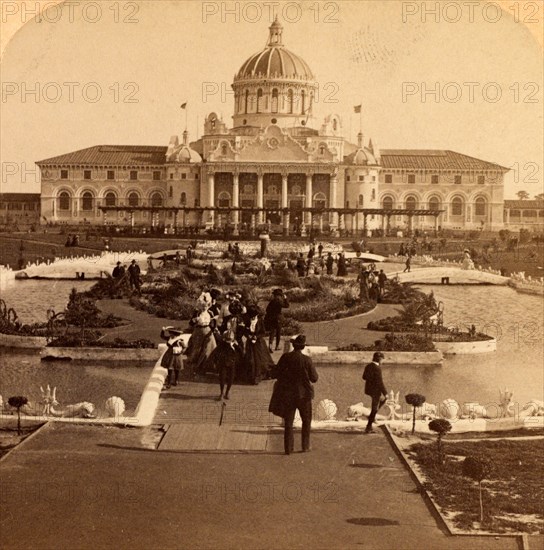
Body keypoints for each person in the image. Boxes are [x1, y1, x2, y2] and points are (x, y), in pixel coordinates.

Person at [271, 335, 318, 455]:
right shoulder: (307, 360)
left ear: (293, 345)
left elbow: (276, 373)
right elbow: (314, 378)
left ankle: (288, 449)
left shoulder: (285, 357)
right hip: (304, 396)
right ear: (302, 347)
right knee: (306, 421)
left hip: (288, 395)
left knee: (288, 423)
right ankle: (305, 446)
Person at [185, 292, 217, 377]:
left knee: (207, 350)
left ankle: (204, 368)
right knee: (197, 350)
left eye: (206, 305)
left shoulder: (210, 313)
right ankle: (195, 368)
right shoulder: (197, 313)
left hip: (207, 331)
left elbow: (213, 324)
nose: (204, 307)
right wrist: (195, 320)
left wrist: (213, 329)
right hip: (198, 331)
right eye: (203, 306)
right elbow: (191, 323)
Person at [242, 304, 274, 384]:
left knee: (259, 360)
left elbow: (263, 332)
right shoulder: (247, 321)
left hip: (259, 343)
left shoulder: (260, 321)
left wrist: (256, 336)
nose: (253, 317)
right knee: (250, 360)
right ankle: (251, 377)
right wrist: (248, 335)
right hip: (250, 343)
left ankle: (258, 376)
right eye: (252, 315)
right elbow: (245, 331)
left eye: (255, 315)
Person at [208, 329, 240, 400]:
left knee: (231, 378)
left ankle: (227, 391)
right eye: (227, 340)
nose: (228, 342)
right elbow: (214, 353)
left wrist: (236, 346)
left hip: (232, 362)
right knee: (222, 377)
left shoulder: (234, 344)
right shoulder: (222, 344)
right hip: (223, 363)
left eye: (230, 340)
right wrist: (213, 361)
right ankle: (222, 392)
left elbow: (241, 352)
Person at [362, 351, 388, 434]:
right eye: (381, 359)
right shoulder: (377, 368)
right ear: (379, 359)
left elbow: (364, 377)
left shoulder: (368, 366)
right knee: (375, 407)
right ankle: (369, 426)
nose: (382, 361)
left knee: (376, 405)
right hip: (376, 391)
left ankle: (371, 418)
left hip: (369, 390)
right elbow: (380, 382)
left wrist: (371, 380)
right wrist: (385, 393)